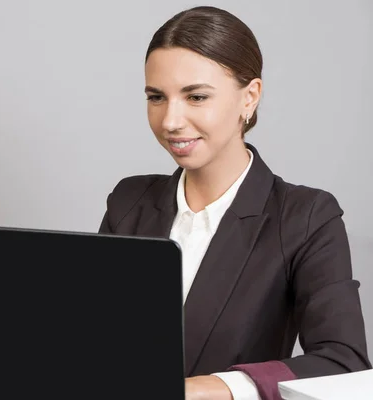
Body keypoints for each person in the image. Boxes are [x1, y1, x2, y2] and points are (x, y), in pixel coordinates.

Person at [98, 5, 371, 400]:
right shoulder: (130, 200)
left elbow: (343, 361)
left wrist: (210, 388)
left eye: (196, 96)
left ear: (250, 97)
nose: (170, 120)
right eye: (156, 97)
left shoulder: (305, 217)